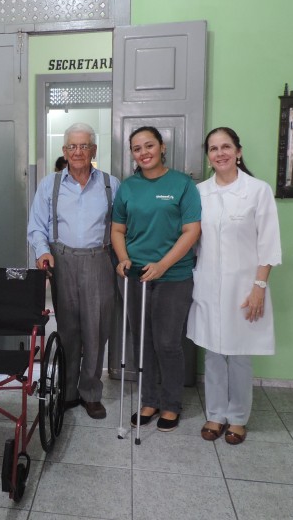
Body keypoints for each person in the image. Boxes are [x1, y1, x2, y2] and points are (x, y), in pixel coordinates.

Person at [186, 128, 281, 445]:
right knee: (213, 352)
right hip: (209, 283)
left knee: (239, 353)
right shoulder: (199, 192)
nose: (220, 153)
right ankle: (215, 414)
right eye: (213, 149)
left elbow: (268, 242)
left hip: (244, 285)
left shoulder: (258, 190)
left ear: (238, 151)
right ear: (208, 156)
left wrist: (259, 286)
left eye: (226, 146)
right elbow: (191, 238)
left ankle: (238, 418)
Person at [28, 123, 120, 420]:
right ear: (64, 151)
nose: (78, 152)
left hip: (99, 261)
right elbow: (37, 226)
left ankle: (91, 392)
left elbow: (121, 228)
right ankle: (66, 391)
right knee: (67, 329)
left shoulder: (110, 184)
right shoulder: (49, 184)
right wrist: (42, 251)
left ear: (93, 150)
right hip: (62, 260)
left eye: (84, 146)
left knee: (96, 329)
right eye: (72, 147)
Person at [111, 126, 201, 432]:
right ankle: (148, 399)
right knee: (142, 341)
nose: (143, 152)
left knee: (167, 342)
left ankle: (171, 403)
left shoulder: (182, 184)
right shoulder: (128, 187)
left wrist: (163, 265)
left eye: (149, 145)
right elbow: (117, 229)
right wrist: (123, 259)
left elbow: (192, 231)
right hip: (136, 276)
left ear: (162, 147)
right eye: (137, 148)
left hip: (173, 276)